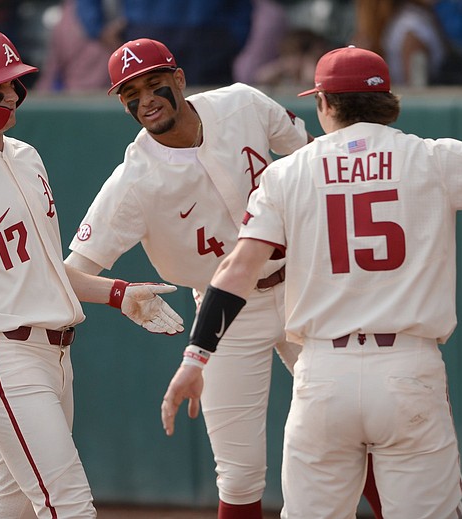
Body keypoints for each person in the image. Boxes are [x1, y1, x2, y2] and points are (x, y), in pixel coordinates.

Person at [160, 45, 462, 518]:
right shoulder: (428, 157)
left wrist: (196, 357)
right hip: (407, 368)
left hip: (323, 374)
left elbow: (236, 270)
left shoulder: (286, 173)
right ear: (387, 101)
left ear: (324, 103)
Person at [0, 28, 182, 518]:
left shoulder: (26, 156)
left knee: (14, 509)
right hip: (4, 363)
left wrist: (118, 293)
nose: (9, 93)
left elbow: (46, 271)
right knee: (70, 506)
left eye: (12, 82)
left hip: (54, 357)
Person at [64, 37, 312, 519]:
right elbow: (69, 274)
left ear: (179, 79)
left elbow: (312, 157)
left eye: (154, 84)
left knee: (348, 437)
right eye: (130, 93)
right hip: (227, 313)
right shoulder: (132, 182)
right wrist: (119, 294)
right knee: (239, 474)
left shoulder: (242, 102)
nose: (145, 100)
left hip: (302, 282)